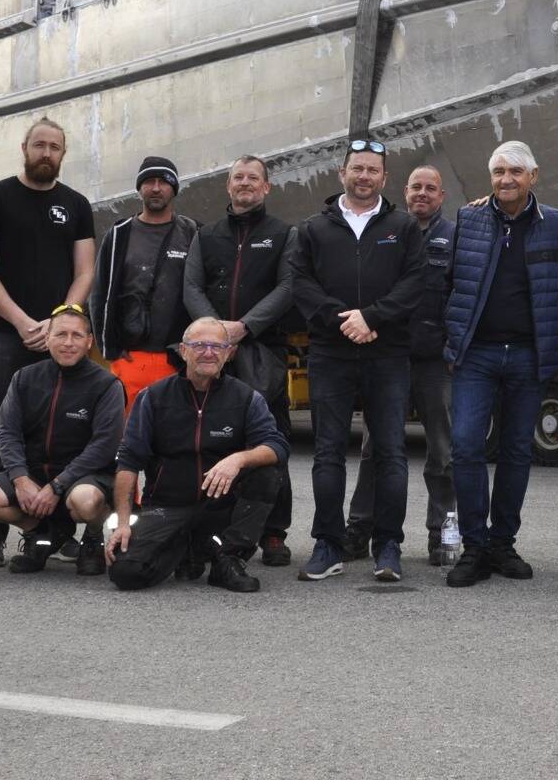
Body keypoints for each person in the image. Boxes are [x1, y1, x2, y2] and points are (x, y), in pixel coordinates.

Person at [285, 138, 426, 582]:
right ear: (341, 174)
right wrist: (341, 320)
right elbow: (299, 281)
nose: (364, 176)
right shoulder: (312, 228)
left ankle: (388, 546)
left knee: (391, 453)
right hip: (331, 352)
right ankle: (328, 544)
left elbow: (414, 282)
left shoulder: (403, 227)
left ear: (385, 178)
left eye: (372, 170)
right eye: (357, 169)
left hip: (387, 353)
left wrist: (372, 317)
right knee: (328, 452)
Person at [440, 141, 558, 588]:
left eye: (515, 172)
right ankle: (475, 545)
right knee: (465, 445)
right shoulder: (470, 218)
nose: (505, 180)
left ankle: (503, 543)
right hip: (476, 354)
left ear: (533, 176)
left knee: (517, 451)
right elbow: (450, 283)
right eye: (498, 172)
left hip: (527, 355)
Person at [0, 117, 97, 567]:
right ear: (24, 148)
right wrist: (23, 322)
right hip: (5, 333)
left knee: (63, 430)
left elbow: (85, 272)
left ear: (63, 153)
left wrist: (61, 322)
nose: (46, 153)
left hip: (59, 335)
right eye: (39, 145)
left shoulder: (75, 204)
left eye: (54, 147)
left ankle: (57, 528)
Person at [104, 318, 288, 593]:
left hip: (221, 508)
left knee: (267, 472)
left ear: (229, 353)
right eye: (200, 345)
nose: (209, 352)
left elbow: (277, 445)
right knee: (126, 573)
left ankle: (228, 557)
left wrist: (237, 459)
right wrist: (122, 523)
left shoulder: (247, 398)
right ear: (183, 350)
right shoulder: (152, 398)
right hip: (168, 506)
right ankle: (191, 549)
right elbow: (129, 461)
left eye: (217, 346)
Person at [183, 153, 298, 567]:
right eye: (237, 177)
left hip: (262, 351)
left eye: (253, 177)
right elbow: (191, 286)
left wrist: (244, 327)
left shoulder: (285, 234)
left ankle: (273, 533)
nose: (245, 183)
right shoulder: (206, 235)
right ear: (228, 186)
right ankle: (220, 527)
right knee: (217, 439)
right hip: (213, 353)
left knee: (271, 439)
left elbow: (287, 287)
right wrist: (214, 331)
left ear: (267, 187)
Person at [349, 164, 459, 567]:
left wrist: (453, 348)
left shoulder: (455, 236)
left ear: (442, 196)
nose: (423, 194)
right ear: (405, 191)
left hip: (435, 360)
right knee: (374, 448)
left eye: (431, 188)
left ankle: (443, 535)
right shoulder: (385, 229)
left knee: (443, 453)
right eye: (416, 187)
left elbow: (462, 295)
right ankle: (360, 530)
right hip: (388, 356)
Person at [0, 304, 123, 576]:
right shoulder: (24, 378)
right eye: (61, 334)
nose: (68, 343)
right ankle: (41, 533)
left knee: (86, 501)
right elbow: (8, 433)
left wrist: (58, 486)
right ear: (47, 338)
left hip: (83, 477)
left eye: (77, 336)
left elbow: (105, 445)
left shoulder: (106, 384)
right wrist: (20, 479)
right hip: (34, 474)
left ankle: (93, 538)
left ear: (89, 342)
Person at [91, 154, 198, 406]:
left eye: (164, 181)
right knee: (127, 436)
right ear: (139, 188)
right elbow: (99, 295)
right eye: (149, 181)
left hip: (177, 356)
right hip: (130, 357)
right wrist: (110, 349)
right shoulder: (118, 234)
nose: (156, 188)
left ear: (174, 188)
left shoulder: (193, 232)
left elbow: (202, 292)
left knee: (171, 435)